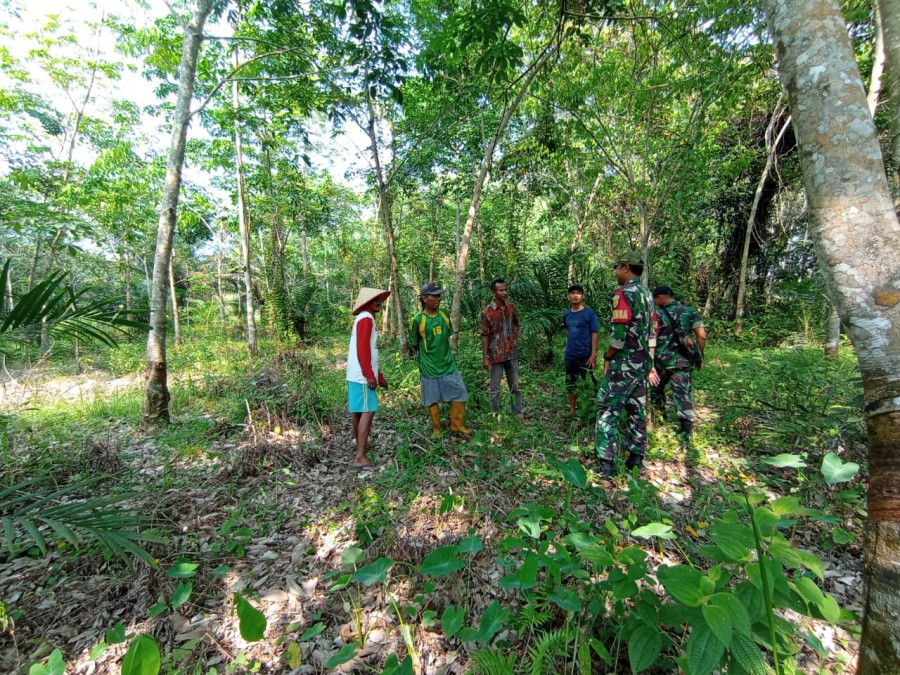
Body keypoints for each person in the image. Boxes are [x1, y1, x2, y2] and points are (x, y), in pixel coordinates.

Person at [596, 252, 658, 477]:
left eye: (617, 268)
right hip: (642, 363)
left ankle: (606, 463)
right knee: (636, 409)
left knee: (607, 410)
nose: (615, 273)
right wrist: (650, 360)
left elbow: (619, 334)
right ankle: (635, 458)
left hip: (624, 364)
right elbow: (653, 331)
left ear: (625, 268)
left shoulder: (623, 293)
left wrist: (608, 356)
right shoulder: (647, 294)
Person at [408, 282, 472, 439]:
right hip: (429, 367)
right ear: (424, 298)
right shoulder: (417, 320)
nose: (438, 298)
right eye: (434, 295)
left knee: (460, 393)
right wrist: (426, 358)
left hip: (448, 364)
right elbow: (414, 345)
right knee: (431, 399)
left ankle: (456, 425)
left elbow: (448, 335)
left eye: (439, 295)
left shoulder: (444, 314)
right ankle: (437, 430)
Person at [650, 285, 707, 444]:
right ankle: (686, 431)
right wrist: (699, 356)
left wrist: (651, 363)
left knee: (656, 389)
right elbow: (702, 336)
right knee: (682, 394)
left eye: (655, 299)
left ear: (660, 297)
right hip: (683, 361)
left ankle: (658, 419)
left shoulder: (656, 315)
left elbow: (651, 339)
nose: (655, 302)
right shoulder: (690, 311)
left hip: (661, 361)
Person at [346, 287, 390, 468]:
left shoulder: (362, 318)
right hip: (362, 375)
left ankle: (360, 447)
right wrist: (370, 375)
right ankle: (360, 456)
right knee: (368, 410)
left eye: (379, 299)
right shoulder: (366, 319)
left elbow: (368, 351)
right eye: (374, 300)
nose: (378, 303)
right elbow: (362, 349)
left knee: (358, 410)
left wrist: (379, 376)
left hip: (355, 373)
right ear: (366, 303)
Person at [481, 278, 528, 422]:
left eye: (505, 289)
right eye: (501, 290)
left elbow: (516, 323)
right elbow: (485, 335)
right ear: (493, 292)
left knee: (515, 385)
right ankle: (495, 415)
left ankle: (518, 412)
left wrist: (512, 339)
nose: (504, 292)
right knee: (494, 388)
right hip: (495, 355)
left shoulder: (510, 307)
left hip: (511, 353)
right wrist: (485, 357)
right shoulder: (487, 312)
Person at [563, 284, 599, 415]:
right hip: (570, 355)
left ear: (582, 296)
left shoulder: (589, 313)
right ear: (568, 296)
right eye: (572, 293)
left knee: (588, 383)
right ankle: (572, 409)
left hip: (585, 355)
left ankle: (590, 410)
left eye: (578, 293)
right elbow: (567, 329)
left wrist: (593, 355)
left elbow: (594, 333)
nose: (575, 296)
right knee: (570, 383)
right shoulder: (566, 313)